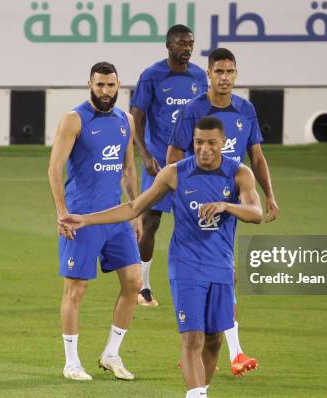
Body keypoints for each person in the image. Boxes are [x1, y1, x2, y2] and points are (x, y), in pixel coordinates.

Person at [60, 116, 263, 398]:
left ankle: (201, 389)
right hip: (186, 267)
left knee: (214, 340)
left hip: (221, 266)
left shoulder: (239, 173)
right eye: (199, 142)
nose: (204, 148)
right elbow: (133, 207)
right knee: (193, 338)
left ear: (224, 143)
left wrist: (225, 205)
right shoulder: (175, 173)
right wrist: (85, 219)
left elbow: (256, 213)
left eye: (211, 143)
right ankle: (196, 394)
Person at [166, 47, 279, 376]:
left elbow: (255, 156)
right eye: (219, 72)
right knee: (223, 274)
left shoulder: (246, 110)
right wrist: (186, 196)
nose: (225, 77)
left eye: (230, 72)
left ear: (236, 74)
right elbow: (173, 157)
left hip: (231, 203)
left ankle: (216, 349)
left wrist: (268, 195)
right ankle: (217, 348)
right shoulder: (192, 112)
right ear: (209, 75)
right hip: (198, 208)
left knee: (226, 275)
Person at [47, 61, 142, 382]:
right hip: (81, 219)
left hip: (116, 217)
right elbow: (54, 169)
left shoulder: (124, 120)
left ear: (119, 86)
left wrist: (137, 210)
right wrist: (61, 212)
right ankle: (71, 362)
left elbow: (129, 169)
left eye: (111, 85)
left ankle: (111, 353)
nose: (105, 91)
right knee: (76, 289)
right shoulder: (74, 120)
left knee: (134, 283)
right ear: (90, 84)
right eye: (100, 85)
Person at [130, 24, 208, 306]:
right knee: (151, 223)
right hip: (159, 164)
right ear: (168, 45)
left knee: (200, 223)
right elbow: (135, 117)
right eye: (181, 43)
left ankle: (198, 283)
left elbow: (204, 116)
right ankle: (142, 286)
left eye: (190, 42)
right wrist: (145, 153)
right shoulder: (152, 76)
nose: (186, 47)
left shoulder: (200, 77)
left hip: (192, 165)